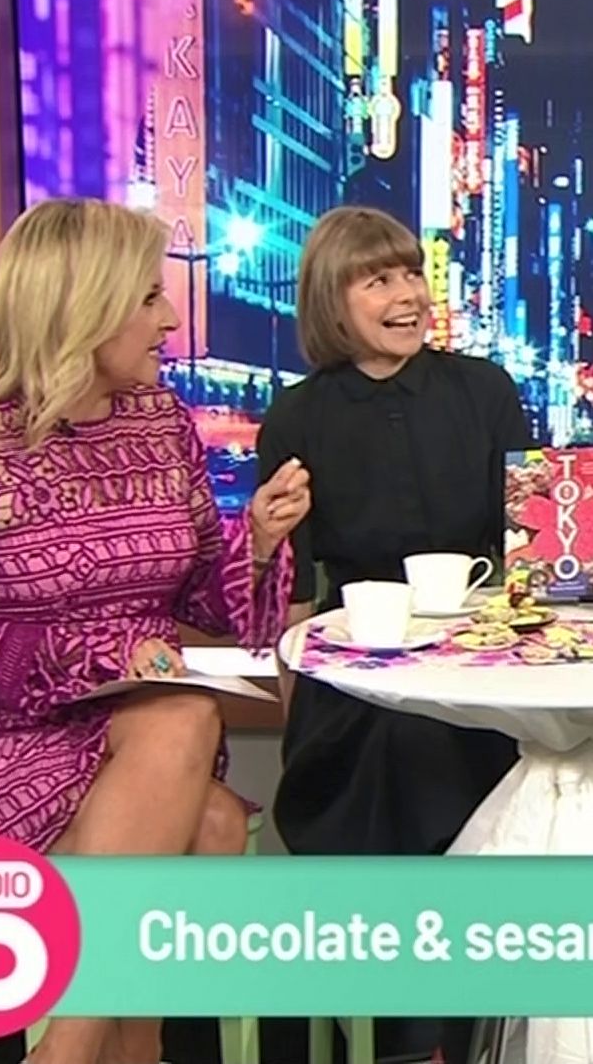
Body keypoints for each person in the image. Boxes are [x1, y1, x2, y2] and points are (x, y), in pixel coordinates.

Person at [0, 197, 310, 1064]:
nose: (170, 319)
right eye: (148, 297)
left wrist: (256, 543)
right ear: (82, 305)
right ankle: (86, 1048)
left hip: (133, 732)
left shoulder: (160, 422)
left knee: (189, 762)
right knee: (202, 805)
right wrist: (89, 656)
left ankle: (76, 1048)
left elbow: (202, 599)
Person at [256, 205, 531, 1062]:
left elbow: (528, 549)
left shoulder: (483, 390)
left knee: (435, 743)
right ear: (330, 301)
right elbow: (291, 597)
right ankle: (410, 1032)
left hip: (482, 667)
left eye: (411, 274)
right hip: (354, 673)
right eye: (378, 280)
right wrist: (264, 543)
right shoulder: (295, 417)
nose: (407, 294)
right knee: (391, 743)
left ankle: (431, 1032)